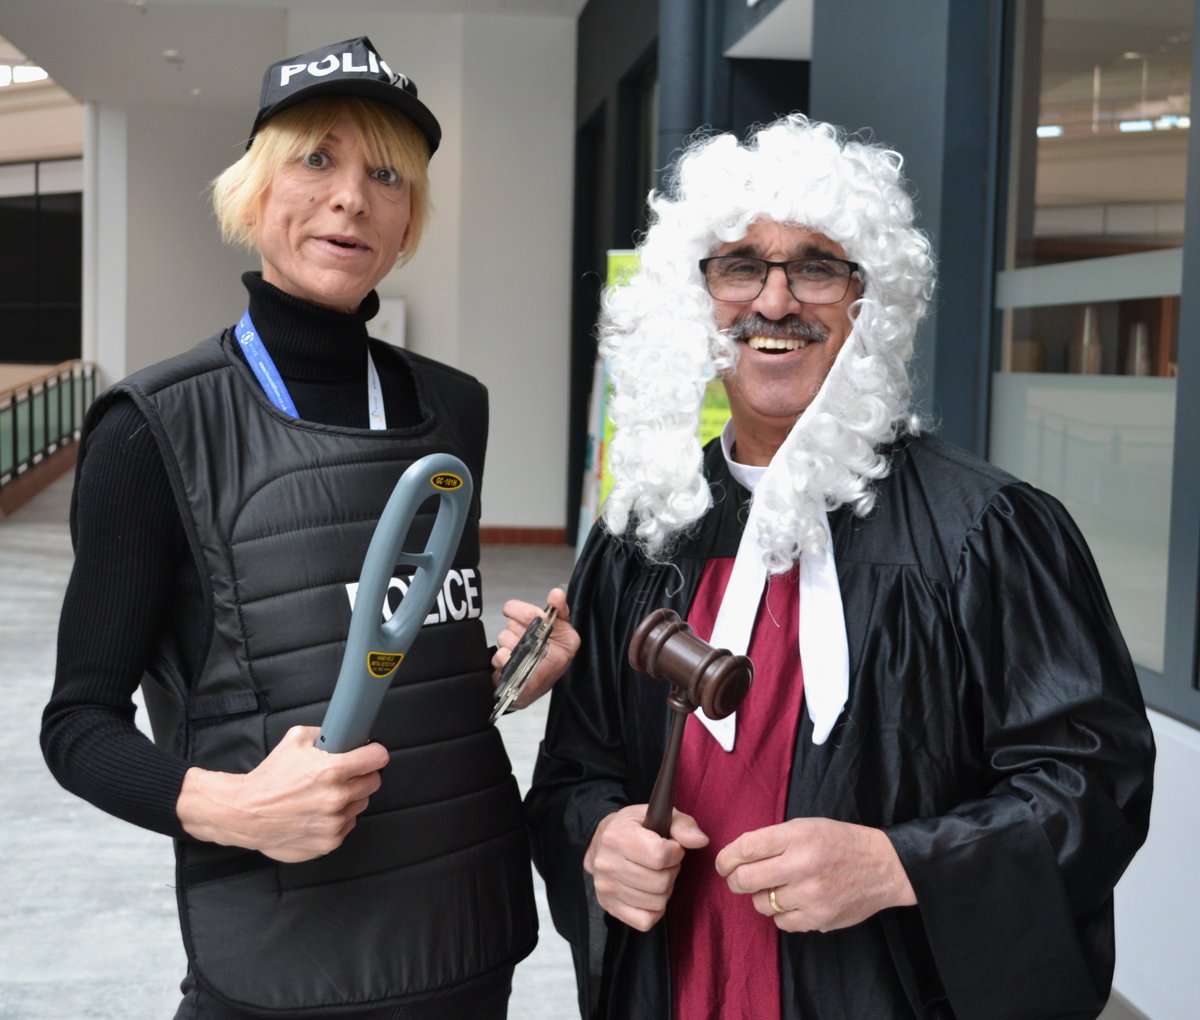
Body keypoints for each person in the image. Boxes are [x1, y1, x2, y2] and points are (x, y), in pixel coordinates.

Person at [525, 114, 1155, 1020]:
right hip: (678, 986)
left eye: (817, 265)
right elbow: (573, 772)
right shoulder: (640, 535)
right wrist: (598, 836)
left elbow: (1092, 782)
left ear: (870, 301)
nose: (775, 301)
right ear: (697, 297)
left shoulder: (990, 531)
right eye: (741, 264)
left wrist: (902, 866)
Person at [41, 36, 577, 1019]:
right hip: (279, 965)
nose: (350, 198)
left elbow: (394, 644)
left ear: (410, 213)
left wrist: (502, 672)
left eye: (386, 174)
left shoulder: (457, 409)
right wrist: (233, 807)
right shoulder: (152, 427)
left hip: (465, 938)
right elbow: (76, 727)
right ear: (255, 190)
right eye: (315, 159)